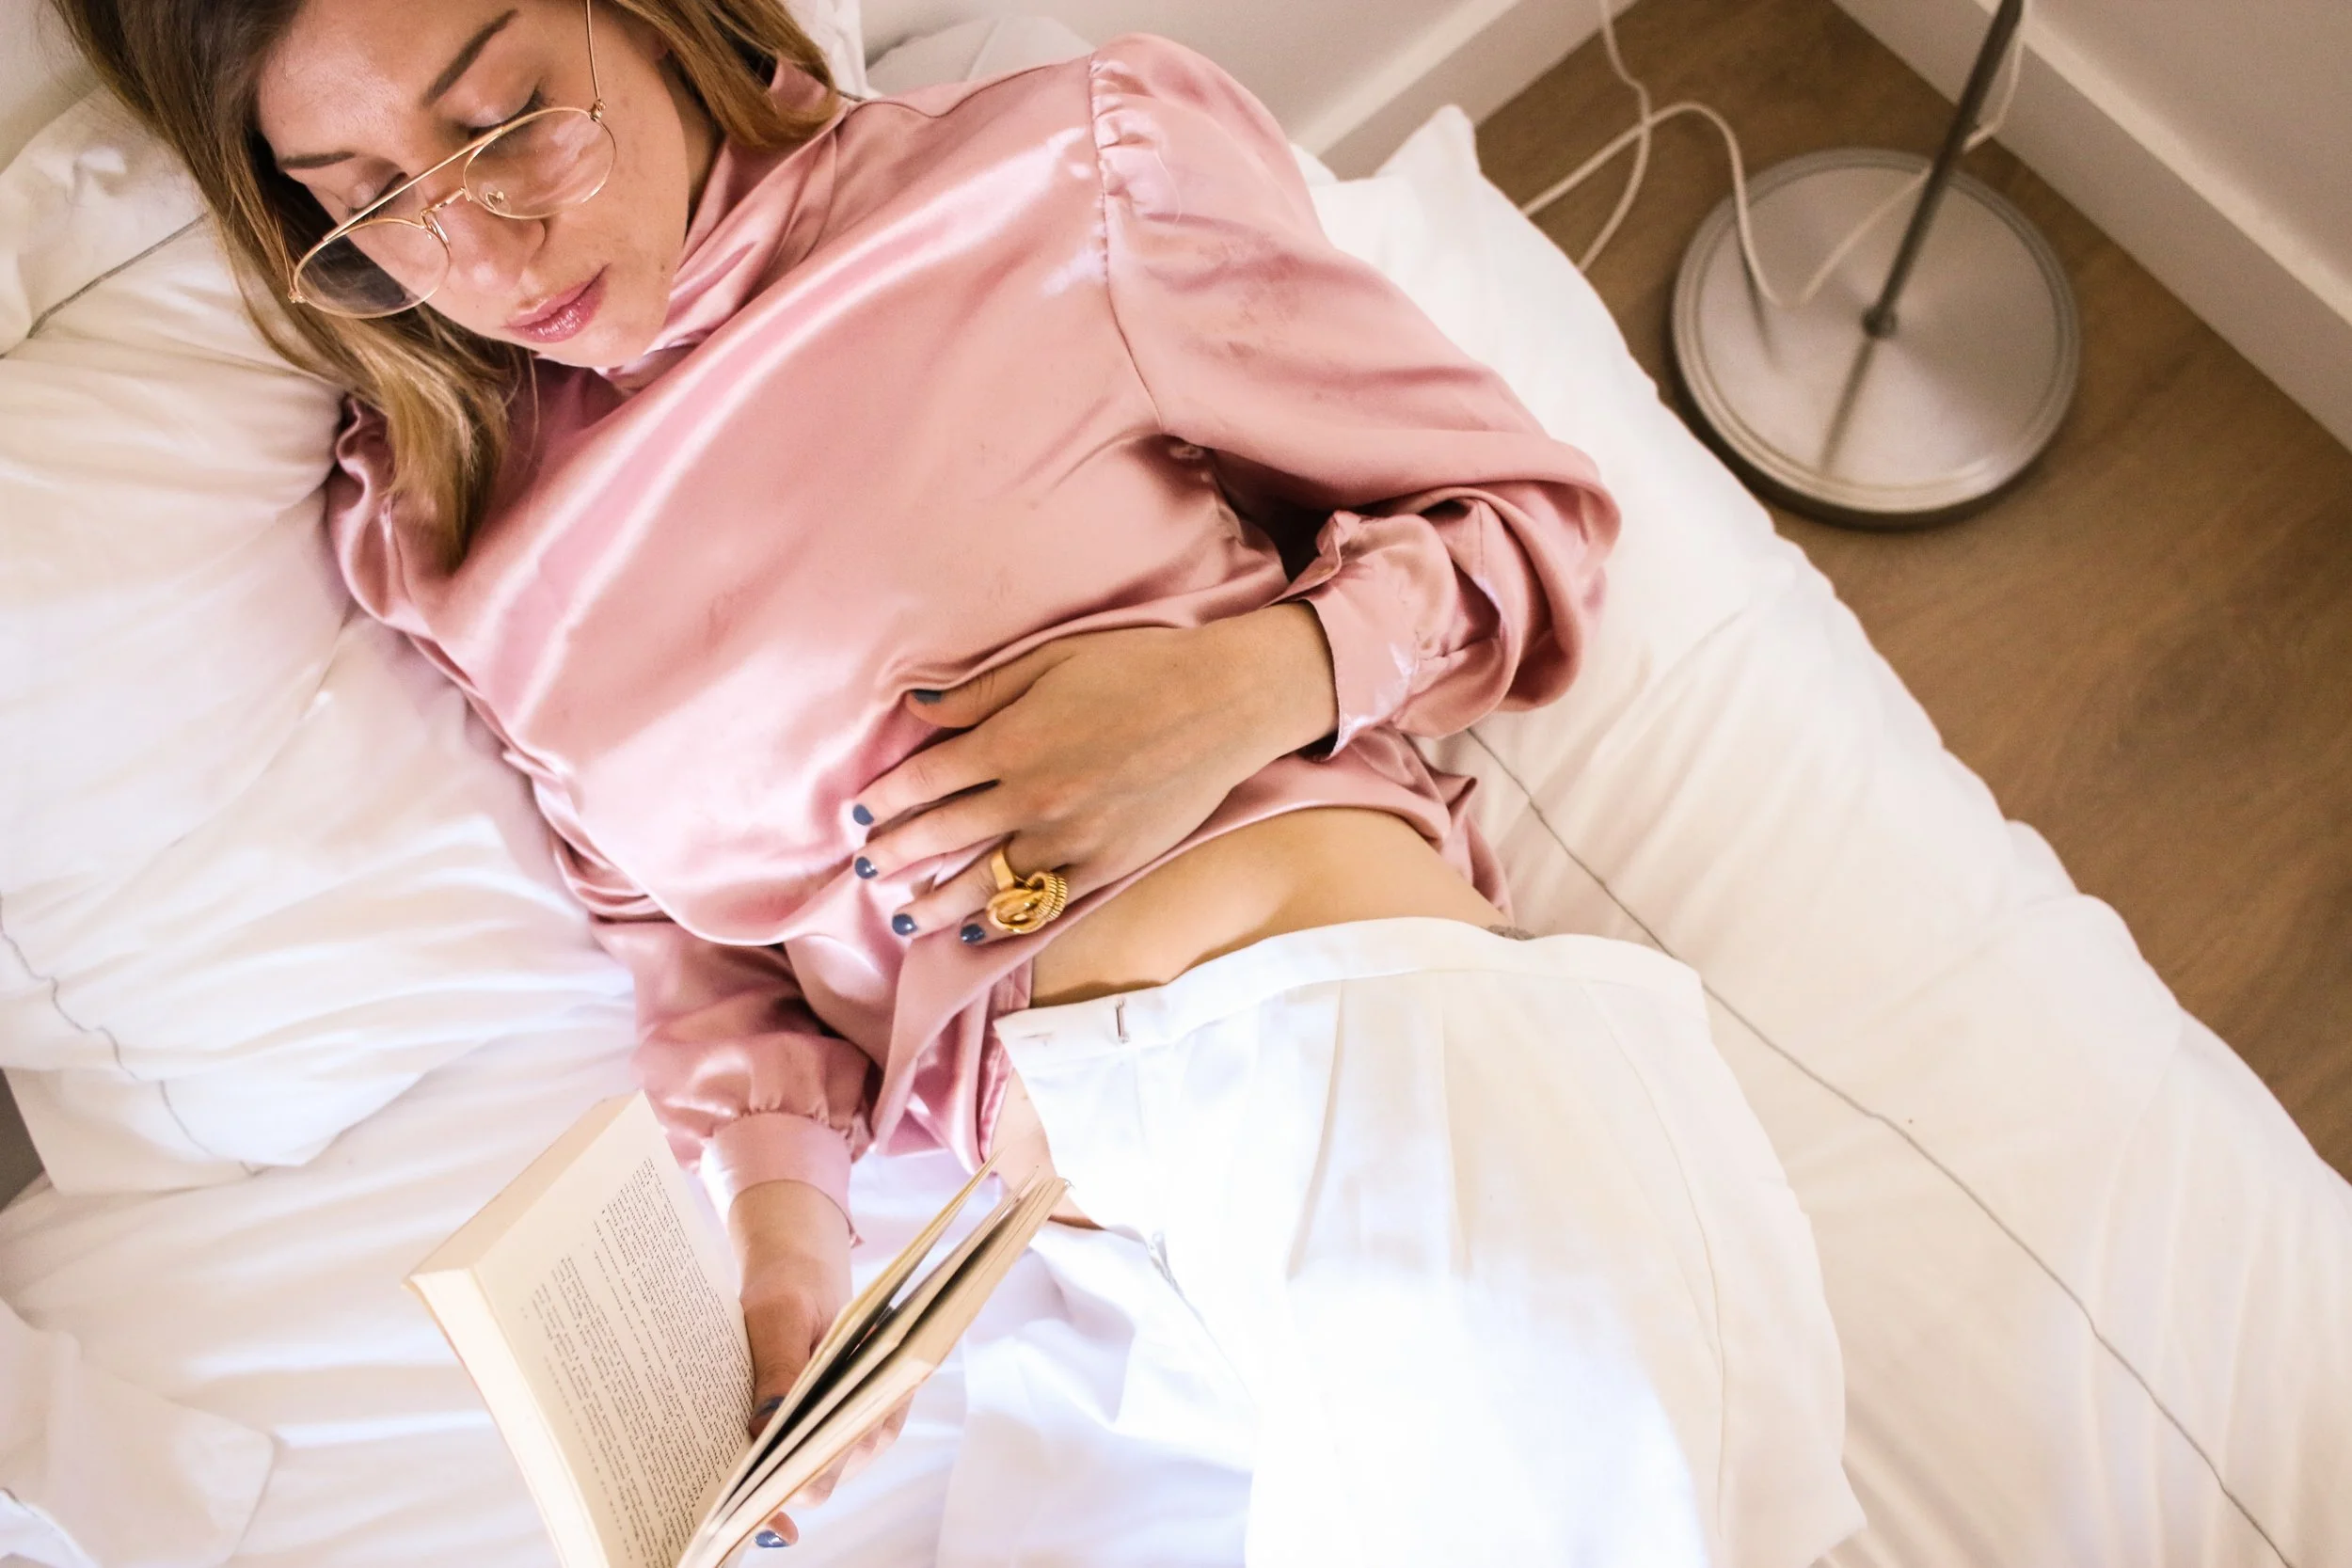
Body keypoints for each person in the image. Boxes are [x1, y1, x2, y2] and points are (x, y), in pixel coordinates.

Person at [56, 0, 1859, 1560]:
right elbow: (691, 948)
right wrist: (786, 1251)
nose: (486, 253)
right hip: (1057, 1268)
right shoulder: (448, 532)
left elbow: (1528, 523)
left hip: (1339, 1063)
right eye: (372, 200)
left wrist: (1239, 690)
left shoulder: (1064, 178)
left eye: (509, 116)